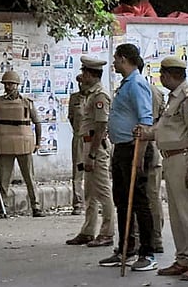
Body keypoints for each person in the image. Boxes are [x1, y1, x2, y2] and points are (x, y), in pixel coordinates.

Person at [134, 56, 188, 281]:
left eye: (162, 74)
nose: (160, 78)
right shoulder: (174, 99)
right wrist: (147, 133)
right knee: (178, 213)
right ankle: (183, 258)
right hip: (171, 159)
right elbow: (166, 127)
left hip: (185, 158)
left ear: (168, 75)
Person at [98, 43, 157, 271]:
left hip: (135, 147)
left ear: (123, 59)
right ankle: (126, 248)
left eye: (115, 58)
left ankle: (147, 252)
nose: (113, 62)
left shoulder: (137, 84)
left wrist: (139, 156)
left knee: (139, 201)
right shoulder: (126, 84)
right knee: (122, 201)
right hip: (121, 147)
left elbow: (145, 120)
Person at [66, 56, 115, 248]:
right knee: (90, 192)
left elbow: (102, 126)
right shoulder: (89, 94)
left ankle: (107, 232)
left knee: (102, 190)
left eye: (85, 72)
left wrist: (93, 154)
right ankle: (88, 231)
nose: (82, 75)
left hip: (97, 145)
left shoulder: (100, 96)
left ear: (91, 74)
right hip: (87, 143)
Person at [0, 70, 45, 217]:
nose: (8, 86)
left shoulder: (26, 102)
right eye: (6, 84)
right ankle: (3, 208)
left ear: (17, 85)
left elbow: (37, 123)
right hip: (4, 143)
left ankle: (36, 206)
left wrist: (38, 143)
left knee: (29, 178)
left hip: (23, 143)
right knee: (4, 180)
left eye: (11, 83)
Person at [138, 58, 166, 255]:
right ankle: (153, 237)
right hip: (152, 147)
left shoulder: (140, 90)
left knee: (149, 196)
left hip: (146, 147)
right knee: (151, 196)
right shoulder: (154, 90)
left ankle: (153, 238)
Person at [67, 74, 86, 217]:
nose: (81, 85)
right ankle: (78, 202)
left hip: (95, 139)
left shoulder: (99, 96)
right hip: (79, 139)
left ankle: (96, 201)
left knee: (98, 171)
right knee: (78, 170)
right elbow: (71, 118)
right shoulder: (74, 98)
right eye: (79, 83)